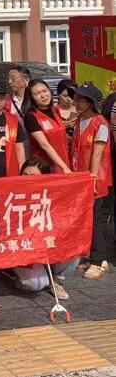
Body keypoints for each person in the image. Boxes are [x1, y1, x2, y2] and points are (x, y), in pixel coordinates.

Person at [4, 159, 78, 300]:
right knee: (36, 284)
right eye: (24, 174)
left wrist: (88, 180)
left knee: (74, 248)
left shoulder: (53, 195)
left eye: (33, 176)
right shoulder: (11, 194)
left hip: (46, 243)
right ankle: (10, 273)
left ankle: (56, 281)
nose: (27, 179)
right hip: (23, 248)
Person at [71, 83, 112, 279]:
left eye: (81, 99)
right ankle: (94, 257)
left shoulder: (100, 123)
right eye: (76, 98)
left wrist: (92, 177)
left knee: (94, 218)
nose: (76, 102)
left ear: (91, 102)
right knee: (86, 217)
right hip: (80, 176)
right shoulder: (80, 119)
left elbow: (97, 153)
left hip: (95, 177)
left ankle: (98, 260)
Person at [23, 79, 71, 174]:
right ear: (31, 97)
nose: (43, 95)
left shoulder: (55, 111)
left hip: (63, 162)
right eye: (37, 94)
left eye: (44, 91)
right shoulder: (31, 116)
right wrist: (64, 167)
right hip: (45, 167)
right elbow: (45, 145)